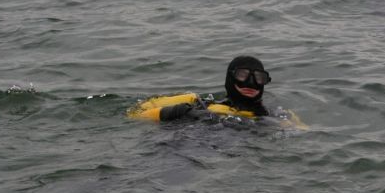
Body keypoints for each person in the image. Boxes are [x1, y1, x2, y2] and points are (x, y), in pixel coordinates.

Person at [127, 55, 307, 129]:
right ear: (230, 78)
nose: (251, 83)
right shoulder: (197, 103)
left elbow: (305, 136)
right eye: (242, 75)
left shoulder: (279, 116)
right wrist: (179, 112)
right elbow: (134, 114)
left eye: (259, 78)